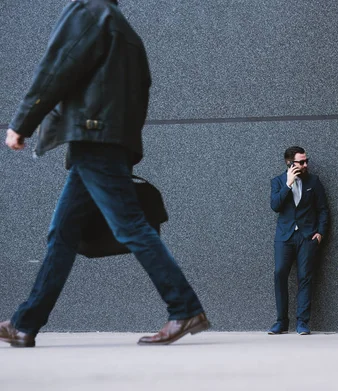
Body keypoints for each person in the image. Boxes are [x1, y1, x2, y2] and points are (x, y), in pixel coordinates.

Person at [0, 0, 209, 348]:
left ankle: (185, 307)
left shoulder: (87, 12)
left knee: (130, 226)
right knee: (63, 233)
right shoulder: (125, 30)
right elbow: (141, 91)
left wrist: (22, 123)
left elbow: (57, 67)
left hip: (94, 138)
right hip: (109, 139)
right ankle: (25, 324)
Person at [269, 146, 329, 335]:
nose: (305, 164)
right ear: (290, 163)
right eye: (301, 162)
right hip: (284, 237)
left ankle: (302, 322)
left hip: (307, 237)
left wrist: (320, 233)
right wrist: (288, 184)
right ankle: (281, 322)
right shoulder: (277, 182)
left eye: (306, 161)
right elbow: (275, 206)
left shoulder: (314, 181)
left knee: (305, 278)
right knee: (279, 275)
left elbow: (323, 209)